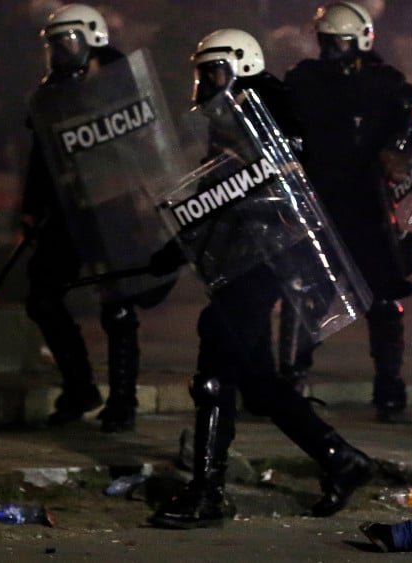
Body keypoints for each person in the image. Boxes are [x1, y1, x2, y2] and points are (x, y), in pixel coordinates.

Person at [148, 28, 372, 529]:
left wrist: (188, 236)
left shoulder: (271, 106)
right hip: (241, 258)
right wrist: (178, 243)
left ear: (242, 63)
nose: (205, 82)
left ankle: (207, 491)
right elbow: (218, 189)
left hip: (268, 258)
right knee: (257, 381)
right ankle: (341, 459)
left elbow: (260, 186)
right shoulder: (231, 113)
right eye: (201, 72)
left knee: (213, 369)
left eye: (213, 70)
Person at [21, 3, 174, 433]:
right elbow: (42, 156)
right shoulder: (51, 93)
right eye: (55, 45)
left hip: (117, 204)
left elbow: (150, 141)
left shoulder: (121, 81)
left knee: (119, 304)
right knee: (43, 297)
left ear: (93, 37)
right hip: (71, 209)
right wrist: (32, 207)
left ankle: (122, 401)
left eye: (68, 42)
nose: (60, 52)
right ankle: (79, 387)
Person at [281, 1, 412, 423]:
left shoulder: (386, 84)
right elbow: (285, 129)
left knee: (383, 298)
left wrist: (395, 155)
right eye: (326, 41)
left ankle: (389, 386)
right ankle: (290, 379)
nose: (332, 50)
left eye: (339, 41)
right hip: (319, 200)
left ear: (361, 39)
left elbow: (408, 134)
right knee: (306, 293)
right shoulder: (305, 81)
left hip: (370, 205)